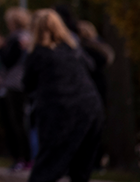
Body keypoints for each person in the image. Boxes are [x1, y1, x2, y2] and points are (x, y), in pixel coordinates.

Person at [23, 10, 103, 182]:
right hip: (91, 107)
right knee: (81, 169)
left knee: (48, 166)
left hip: (60, 110)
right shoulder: (73, 49)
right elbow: (92, 66)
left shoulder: (39, 53)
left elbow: (27, 84)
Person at [0, 7, 30, 168]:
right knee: (18, 122)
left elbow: (8, 60)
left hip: (15, 84)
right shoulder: (23, 38)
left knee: (16, 123)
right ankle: (22, 157)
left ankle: (21, 157)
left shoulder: (16, 39)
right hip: (19, 83)